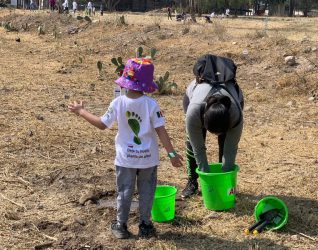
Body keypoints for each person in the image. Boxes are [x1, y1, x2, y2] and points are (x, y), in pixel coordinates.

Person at [68, 58, 183, 239]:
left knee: (124, 191)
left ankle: (121, 225)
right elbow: (161, 131)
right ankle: (145, 225)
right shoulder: (151, 105)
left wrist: (81, 111)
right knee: (147, 191)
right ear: (146, 83)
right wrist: (172, 154)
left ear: (126, 82)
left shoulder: (118, 103)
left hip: (125, 159)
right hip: (148, 159)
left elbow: (101, 124)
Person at [181, 54, 244, 198]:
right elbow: (199, 150)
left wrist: (223, 184)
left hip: (229, 103)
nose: (214, 135)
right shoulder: (194, 112)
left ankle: (224, 179)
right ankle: (192, 182)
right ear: (204, 120)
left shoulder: (235, 115)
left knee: (224, 144)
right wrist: (207, 181)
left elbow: (230, 151)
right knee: (193, 142)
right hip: (196, 101)